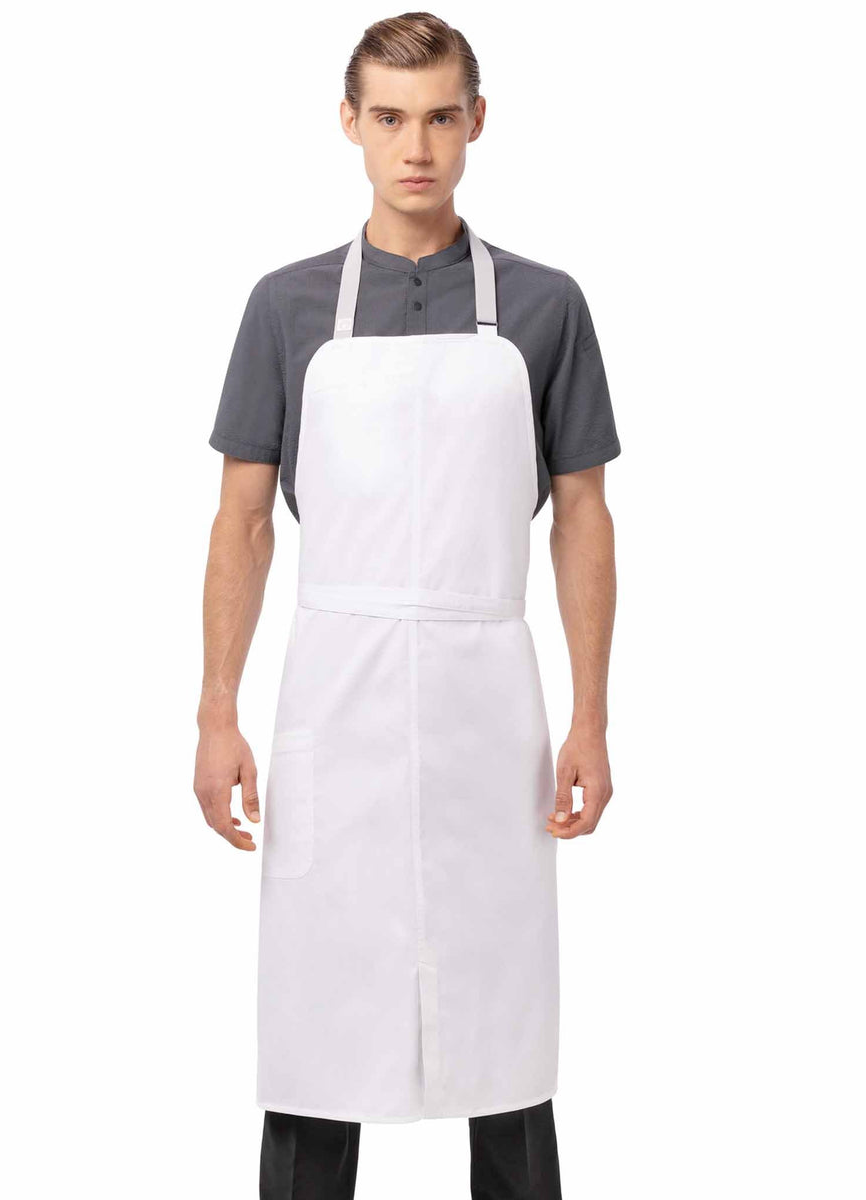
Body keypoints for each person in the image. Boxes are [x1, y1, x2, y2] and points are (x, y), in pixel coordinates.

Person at [193, 13, 619, 1198]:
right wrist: (217, 712)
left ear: (477, 121)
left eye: (439, 117)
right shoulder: (285, 307)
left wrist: (590, 717)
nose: (415, 147)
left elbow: (582, 514)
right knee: (318, 1031)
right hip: (336, 698)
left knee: (505, 1026)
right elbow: (241, 520)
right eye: (389, 118)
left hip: (491, 711)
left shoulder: (546, 306)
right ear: (350, 123)